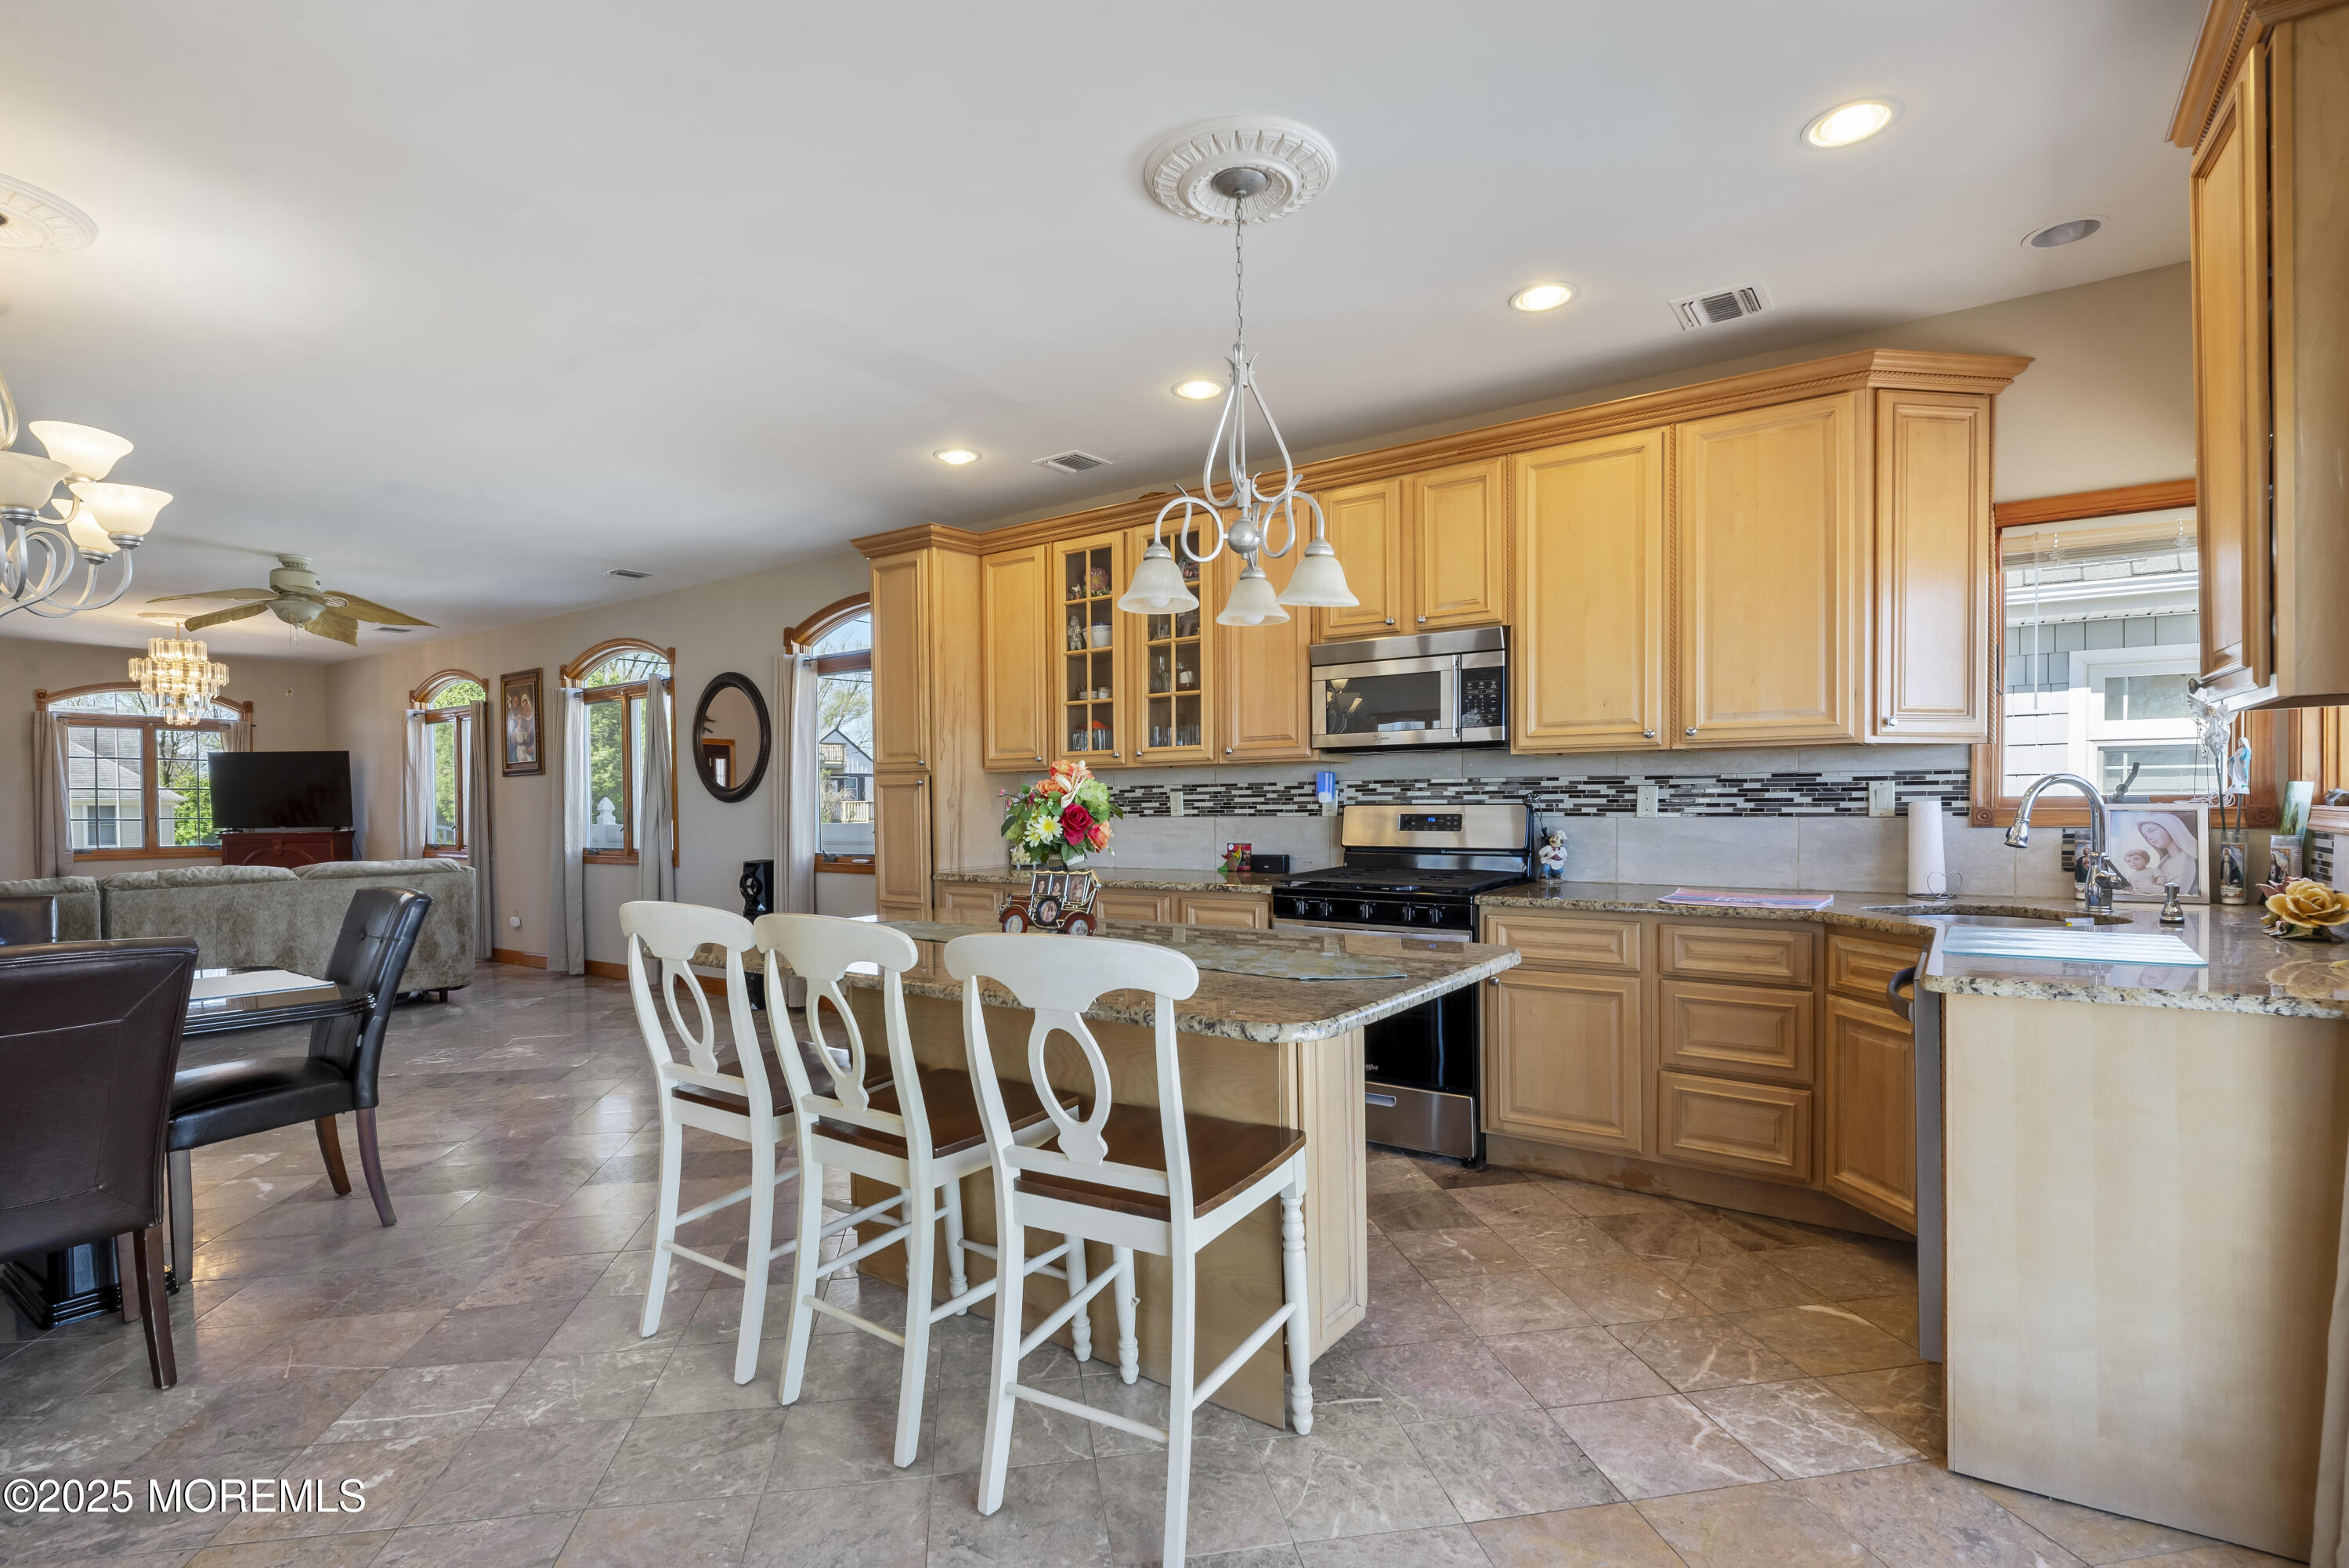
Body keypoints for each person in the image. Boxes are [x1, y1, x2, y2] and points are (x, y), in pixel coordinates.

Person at [2130, 813, 2199, 897]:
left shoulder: (2192, 859)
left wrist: (2152, 888)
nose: (2149, 838)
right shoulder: (2164, 862)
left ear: (2169, 827)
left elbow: (2184, 893)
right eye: (2146, 836)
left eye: (2152, 830)